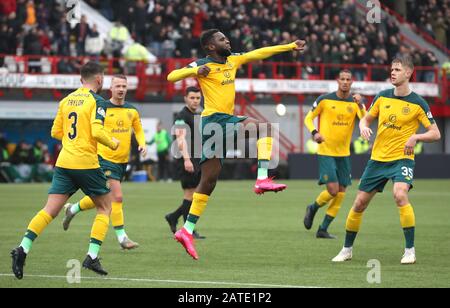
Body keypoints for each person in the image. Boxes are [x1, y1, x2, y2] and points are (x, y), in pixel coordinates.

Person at [167, 29, 305, 260]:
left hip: (222, 121)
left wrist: (290, 46)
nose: (227, 40)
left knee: (209, 181)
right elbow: (171, 76)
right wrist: (194, 71)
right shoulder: (203, 64)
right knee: (265, 130)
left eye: (226, 37)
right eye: (221, 39)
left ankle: (186, 230)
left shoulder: (233, 59)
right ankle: (261, 179)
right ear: (210, 46)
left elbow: (260, 53)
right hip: (213, 121)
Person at [11, 62, 120, 279]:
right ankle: (92, 256)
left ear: (81, 79)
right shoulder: (98, 101)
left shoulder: (66, 100)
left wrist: (75, 139)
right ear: (99, 79)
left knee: (49, 211)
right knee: (105, 207)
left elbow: (55, 132)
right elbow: (98, 131)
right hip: (86, 163)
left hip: (64, 163)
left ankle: (22, 249)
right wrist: (113, 142)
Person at [332, 56, 441, 264]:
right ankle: (347, 249)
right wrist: (363, 125)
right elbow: (366, 118)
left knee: (399, 195)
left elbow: (435, 133)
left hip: (402, 159)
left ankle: (410, 251)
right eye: (392, 69)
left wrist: (416, 137)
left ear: (408, 73)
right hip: (378, 160)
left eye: (397, 70)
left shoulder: (418, 103)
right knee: (359, 204)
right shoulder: (382, 97)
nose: (392, 72)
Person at [62, 75, 147, 250]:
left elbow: (138, 129)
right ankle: (122, 238)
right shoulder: (102, 107)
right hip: (104, 160)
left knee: (101, 198)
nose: (121, 89)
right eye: (118, 86)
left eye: (124, 86)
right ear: (111, 88)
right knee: (117, 196)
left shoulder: (132, 110)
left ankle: (73, 209)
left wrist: (142, 144)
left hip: (121, 162)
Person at [303, 70, 366, 239]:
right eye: (342, 79)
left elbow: (366, 120)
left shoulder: (355, 103)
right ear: (337, 81)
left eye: (348, 79)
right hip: (326, 151)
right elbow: (308, 118)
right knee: (332, 190)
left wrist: (361, 105)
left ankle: (323, 229)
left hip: (344, 154)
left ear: (352, 82)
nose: (345, 82)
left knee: (341, 192)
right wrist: (315, 133)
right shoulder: (324, 99)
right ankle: (313, 207)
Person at [165, 86, 205, 240]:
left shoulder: (198, 115)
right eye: (192, 98)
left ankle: (174, 217)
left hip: (196, 159)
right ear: (185, 99)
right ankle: (188, 229)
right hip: (186, 160)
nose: (195, 101)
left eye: (197, 98)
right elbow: (181, 140)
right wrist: (187, 160)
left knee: (195, 195)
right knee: (191, 194)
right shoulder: (182, 116)